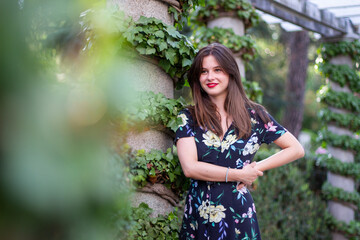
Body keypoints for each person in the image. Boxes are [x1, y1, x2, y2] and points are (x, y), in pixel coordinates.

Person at [175, 43, 305, 240]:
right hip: (200, 215)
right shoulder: (188, 118)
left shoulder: (255, 115)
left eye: (217, 70)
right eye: (204, 71)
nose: (210, 77)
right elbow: (190, 168)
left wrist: (254, 169)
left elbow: (296, 149)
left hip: (240, 214)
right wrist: (239, 174)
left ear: (230, 73)